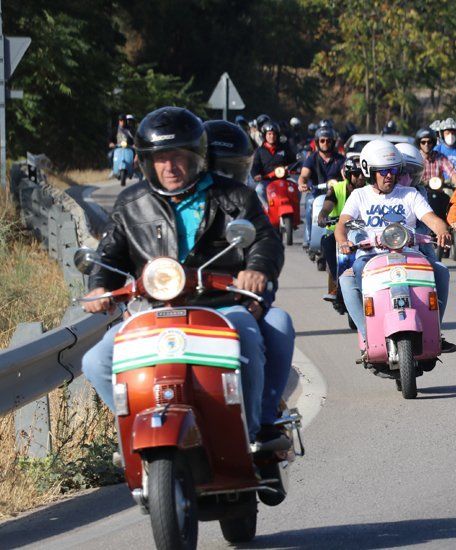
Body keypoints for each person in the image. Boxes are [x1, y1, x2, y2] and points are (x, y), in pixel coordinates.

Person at [80, 107, 284, 443]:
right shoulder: (131, 202)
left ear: (196, 157)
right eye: (160, 158)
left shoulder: (234, 195)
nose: (170, 167)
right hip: (152, 309)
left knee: (246, 339)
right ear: (146, 161)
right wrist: (99, 285)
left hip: (219, 304)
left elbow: (264, 239)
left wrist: (256, 270)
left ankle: (248, 437)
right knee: (96, 361)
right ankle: (139, 442)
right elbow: (109, 252)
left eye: (177, 157)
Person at [205, 119, 296, 439]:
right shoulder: (170, 201)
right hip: (176, 302)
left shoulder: (243, 201)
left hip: (232, 301)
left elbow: (267, 248)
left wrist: (257, 295)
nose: (223, 175)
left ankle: (264, 416)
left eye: (232, 168)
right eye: (216, 166)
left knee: (280, 324)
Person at [334, 140, 456, 353]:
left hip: (410, 255)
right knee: (346, 280)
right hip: (370, 258)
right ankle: (368, 335)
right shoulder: (359, 195)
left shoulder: (410, 194)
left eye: (392, 170)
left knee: (441, 272)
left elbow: (431, 218)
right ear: (370, 172)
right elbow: (342, 224)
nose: (389, 175)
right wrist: (343, 241)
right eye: (382, 171)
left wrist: (442, 230)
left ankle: (435, 331)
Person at [317, 156, 367, 302]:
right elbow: (328, 203)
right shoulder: (337, 188)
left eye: (363, 173)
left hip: (364, 231)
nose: (361, 177)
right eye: (357, 174)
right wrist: (323, 215)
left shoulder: (370, 189)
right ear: (349, 174)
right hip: (340, 231)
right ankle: (336, 282)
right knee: (327, 243)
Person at [298, 125, 346, 246]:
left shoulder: (340, 159)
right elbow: (304, 175)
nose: (325, 143)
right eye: (322, 140)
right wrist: (302, 183)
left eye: (328, 141)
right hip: (316, 193)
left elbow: (345, 174)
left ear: (333, 142)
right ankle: (308, 238)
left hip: (335, 195)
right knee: (309, 204)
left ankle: (344, 236)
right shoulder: (312, 158)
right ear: (317, 142)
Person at [250, 121, 299, 208]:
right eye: (269, 134)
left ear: (277, 135)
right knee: (259, 190)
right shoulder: (259, 151)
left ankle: (295, 209)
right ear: (265, 135)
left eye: (274, 134)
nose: (272, 136)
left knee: (297, 187)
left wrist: (293, 167)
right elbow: (255, 166)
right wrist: (256, 175)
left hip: (284, 178)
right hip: (267, 179)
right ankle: (267, 209)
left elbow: (294, 160)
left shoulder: (284, 148)